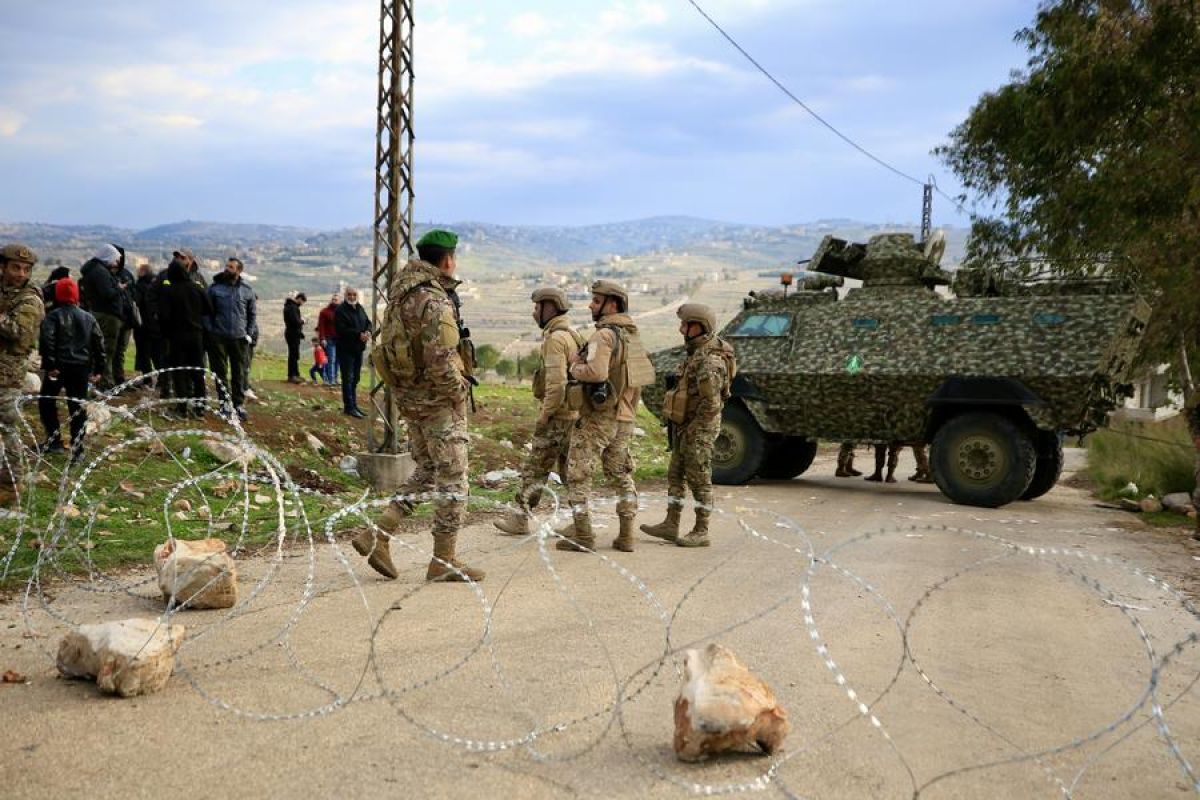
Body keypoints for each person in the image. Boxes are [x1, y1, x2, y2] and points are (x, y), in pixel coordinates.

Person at [352, 229, 484, 583]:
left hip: (411, 399)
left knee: (426, 470)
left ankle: (378, 534)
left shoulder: (399, 295)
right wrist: (458, 392)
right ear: (447, 259)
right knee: (454, 479)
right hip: (439, 403)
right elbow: (441, 358)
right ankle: (444, 559)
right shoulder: (433, 300)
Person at [559, 279, 654, 552]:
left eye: (597, 301)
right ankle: (626, 536)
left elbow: (597, 373)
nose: (591, 304)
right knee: (620, 474)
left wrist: (574, 369)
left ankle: (584, 536)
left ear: (612, 304)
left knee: (578, 474)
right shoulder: (631, 335)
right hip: (624, 417)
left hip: (599, 417)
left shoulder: (604, 335)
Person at [494, 287, 584, 537]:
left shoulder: (556, 339)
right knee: (570, 472)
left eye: (537, 308)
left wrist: (545, 415)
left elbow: (556, 384)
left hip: (559, 416)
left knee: (535, 468)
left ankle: (520, 518)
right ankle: (581, 523)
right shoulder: (573, 334)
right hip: (573, 414)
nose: (534, 313)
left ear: (550, 308)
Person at [641, 303, 733, 547]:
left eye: (686, 325)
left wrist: (694, 430)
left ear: (700, 327)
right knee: (675, 475)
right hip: (686, 426)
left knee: (699, 478)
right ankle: (671, 524)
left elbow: (711, 404)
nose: (681, 329)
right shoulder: (696, 354)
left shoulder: (710, 361)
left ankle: (701, 529)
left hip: (699, 429)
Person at [36, 278, 104, 460]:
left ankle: (54, 440)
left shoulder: (53, 316)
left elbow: (47, 340)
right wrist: (99, 369)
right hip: (81, 368)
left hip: (58, 368)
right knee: (77, 406)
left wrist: (50, 365)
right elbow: (99, 344)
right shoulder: (88, 317)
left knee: (47, 402)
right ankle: (77, 447)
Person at [0, 243, 45, 502]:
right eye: (15, 267)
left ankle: (11, 484)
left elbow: (20, 331)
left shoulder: (30, 298)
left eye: (25, 269)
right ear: (3, 267)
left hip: (8, 376)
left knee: (9, 429)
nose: (20, 273)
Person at [158, 252, 211, 417]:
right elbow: (209, 309)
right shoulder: (197, 287)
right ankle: (200, 407)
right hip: (196, 335)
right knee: (197, 371)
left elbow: (164, 316)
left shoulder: (169, 291)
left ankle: (182, 408)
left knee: (179, 372)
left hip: (177, 337)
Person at [206, 257, 256, 421]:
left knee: (238, 373)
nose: (227, 269)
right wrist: (211, 331)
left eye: (231, 267)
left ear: (239, 270)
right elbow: (207, 312)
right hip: (218, 337)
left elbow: (251, 315)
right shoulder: (214, 289)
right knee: (220, 372)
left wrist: (248, 333)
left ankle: (238, 404)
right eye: (226, 266)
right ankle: (224, 404)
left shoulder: (247, 291)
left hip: (239, 339)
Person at [77, 243, 123, 390]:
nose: (116, 263)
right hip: (107, 314)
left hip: (98, 311)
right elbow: (107, 294)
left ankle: (96, 379)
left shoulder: (93, 270)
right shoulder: (101, 272)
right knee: (107, 349)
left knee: (98, 348)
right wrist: (119, 288)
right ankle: (105, 382)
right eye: (115, 259)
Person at [334, 288, 370, 417]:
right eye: (349, 294)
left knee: (356, 378)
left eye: (354, 294)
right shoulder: (340, 310)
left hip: (358, 349)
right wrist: (358, 334)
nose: (352, 297)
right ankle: (348, 407)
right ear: (345, 295)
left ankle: (354, 405)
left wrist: (367, 332)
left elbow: (367, 322)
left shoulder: (359, 308)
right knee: (347, 378)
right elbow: (341, 329)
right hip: (345, 349)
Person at [132, 262, 165, 388]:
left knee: (143, 354)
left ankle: (147, 379)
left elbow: (136, 304)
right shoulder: (158, 284)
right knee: (157, 354)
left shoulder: (139, 286)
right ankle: (163, 379)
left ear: (142, 272)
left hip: (143, 326)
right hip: (157, 326)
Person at [109, 245, 137, 389]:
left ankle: (119, 379)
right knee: (110, 350)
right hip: (113, 318)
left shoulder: (126, 274)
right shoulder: (106, 274)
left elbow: (135, 294)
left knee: (120, 351)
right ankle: (108, 380)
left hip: (126, 320)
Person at [316, 292, 340, 386]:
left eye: (336, 300)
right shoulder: (324, 312)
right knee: (331, 359)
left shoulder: (342, 312)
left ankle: (335, 378)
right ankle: (330, 380)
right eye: (333, 299)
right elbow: (321, 326)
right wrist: (322, 338)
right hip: (329, 339)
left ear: (340, 301)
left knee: (338, 360)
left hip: (340, 339)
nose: (334, 301)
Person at [283, 292, 306, 383]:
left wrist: (300, 333)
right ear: (299, 299)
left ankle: (296, 374)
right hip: (292, 334)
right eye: (303, 301)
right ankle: (292, 375)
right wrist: (303, 321)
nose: (302, 304)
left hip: (293, 333)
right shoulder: (292, 307)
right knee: (293, 355)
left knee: (295, 354)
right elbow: (295, 322)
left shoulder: (290, 306)